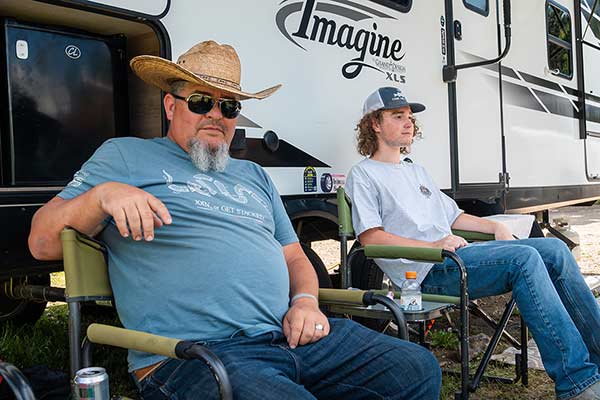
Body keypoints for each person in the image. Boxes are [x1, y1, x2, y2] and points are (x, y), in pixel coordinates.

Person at [28, 44, 441, 399]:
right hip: (193, 355)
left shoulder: (254, 175)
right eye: (201, 101)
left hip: (290, 336)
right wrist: (103, 196)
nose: (216, 115)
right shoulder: (126, 157)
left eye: (228, 106)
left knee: (417, 367)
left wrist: (305, 302)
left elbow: (295, 257)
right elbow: (42, 241)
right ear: (171, 105)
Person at [345, 86, 600, 400]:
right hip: (426, 274)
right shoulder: (364, 175)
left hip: (456, 257)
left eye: (410, 117)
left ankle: (597, 358)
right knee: (525, 260)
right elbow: (370, 237)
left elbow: (454, 217)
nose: (409, 123)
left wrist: (494, 226)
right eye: (398, 116)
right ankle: (577, 381)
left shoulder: (416, 171)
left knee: (555, 250)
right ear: (375, 123)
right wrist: (433, 246)